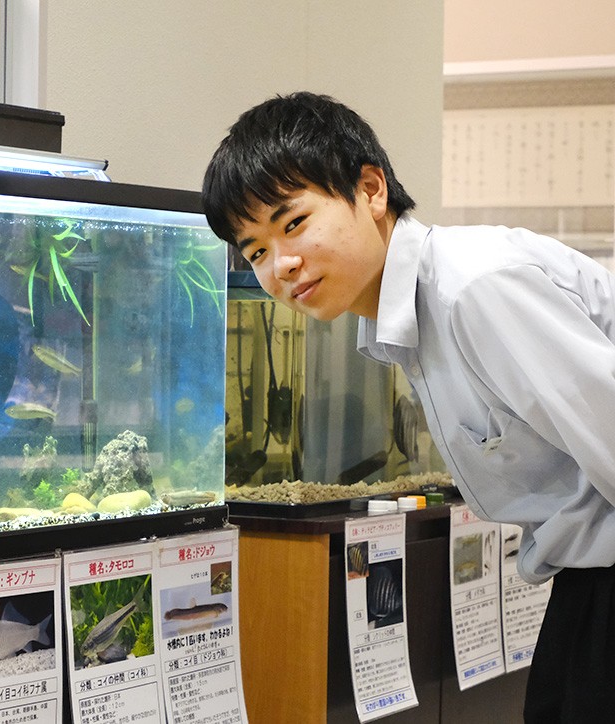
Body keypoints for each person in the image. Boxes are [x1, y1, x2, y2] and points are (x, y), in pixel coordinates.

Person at [202, 91, 615, 722]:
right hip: (587, 582)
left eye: (292, 223)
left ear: (371, 189)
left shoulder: (473, 290)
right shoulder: (410, 317)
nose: (281, 265)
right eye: (255, 251)